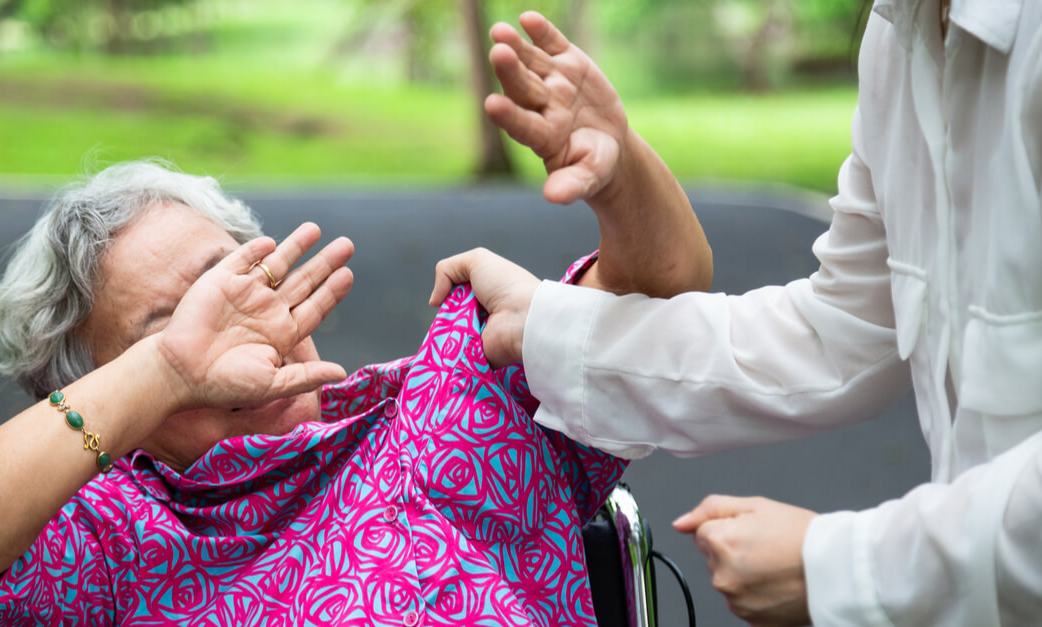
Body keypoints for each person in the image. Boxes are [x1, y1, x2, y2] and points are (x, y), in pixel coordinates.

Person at [0, 160, 680, 626]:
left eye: (236, 283)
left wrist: (619, 170)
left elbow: (660, 299)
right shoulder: (111, 532)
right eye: (168, 325)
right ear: (101, 394)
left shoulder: (453, 394)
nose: (236, 332)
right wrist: (169, 370)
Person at [435, 4, 1042, 626]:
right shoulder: (899, 37)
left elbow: (672, 271)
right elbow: (836, 333)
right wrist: (542, 325)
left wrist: (842, 567)